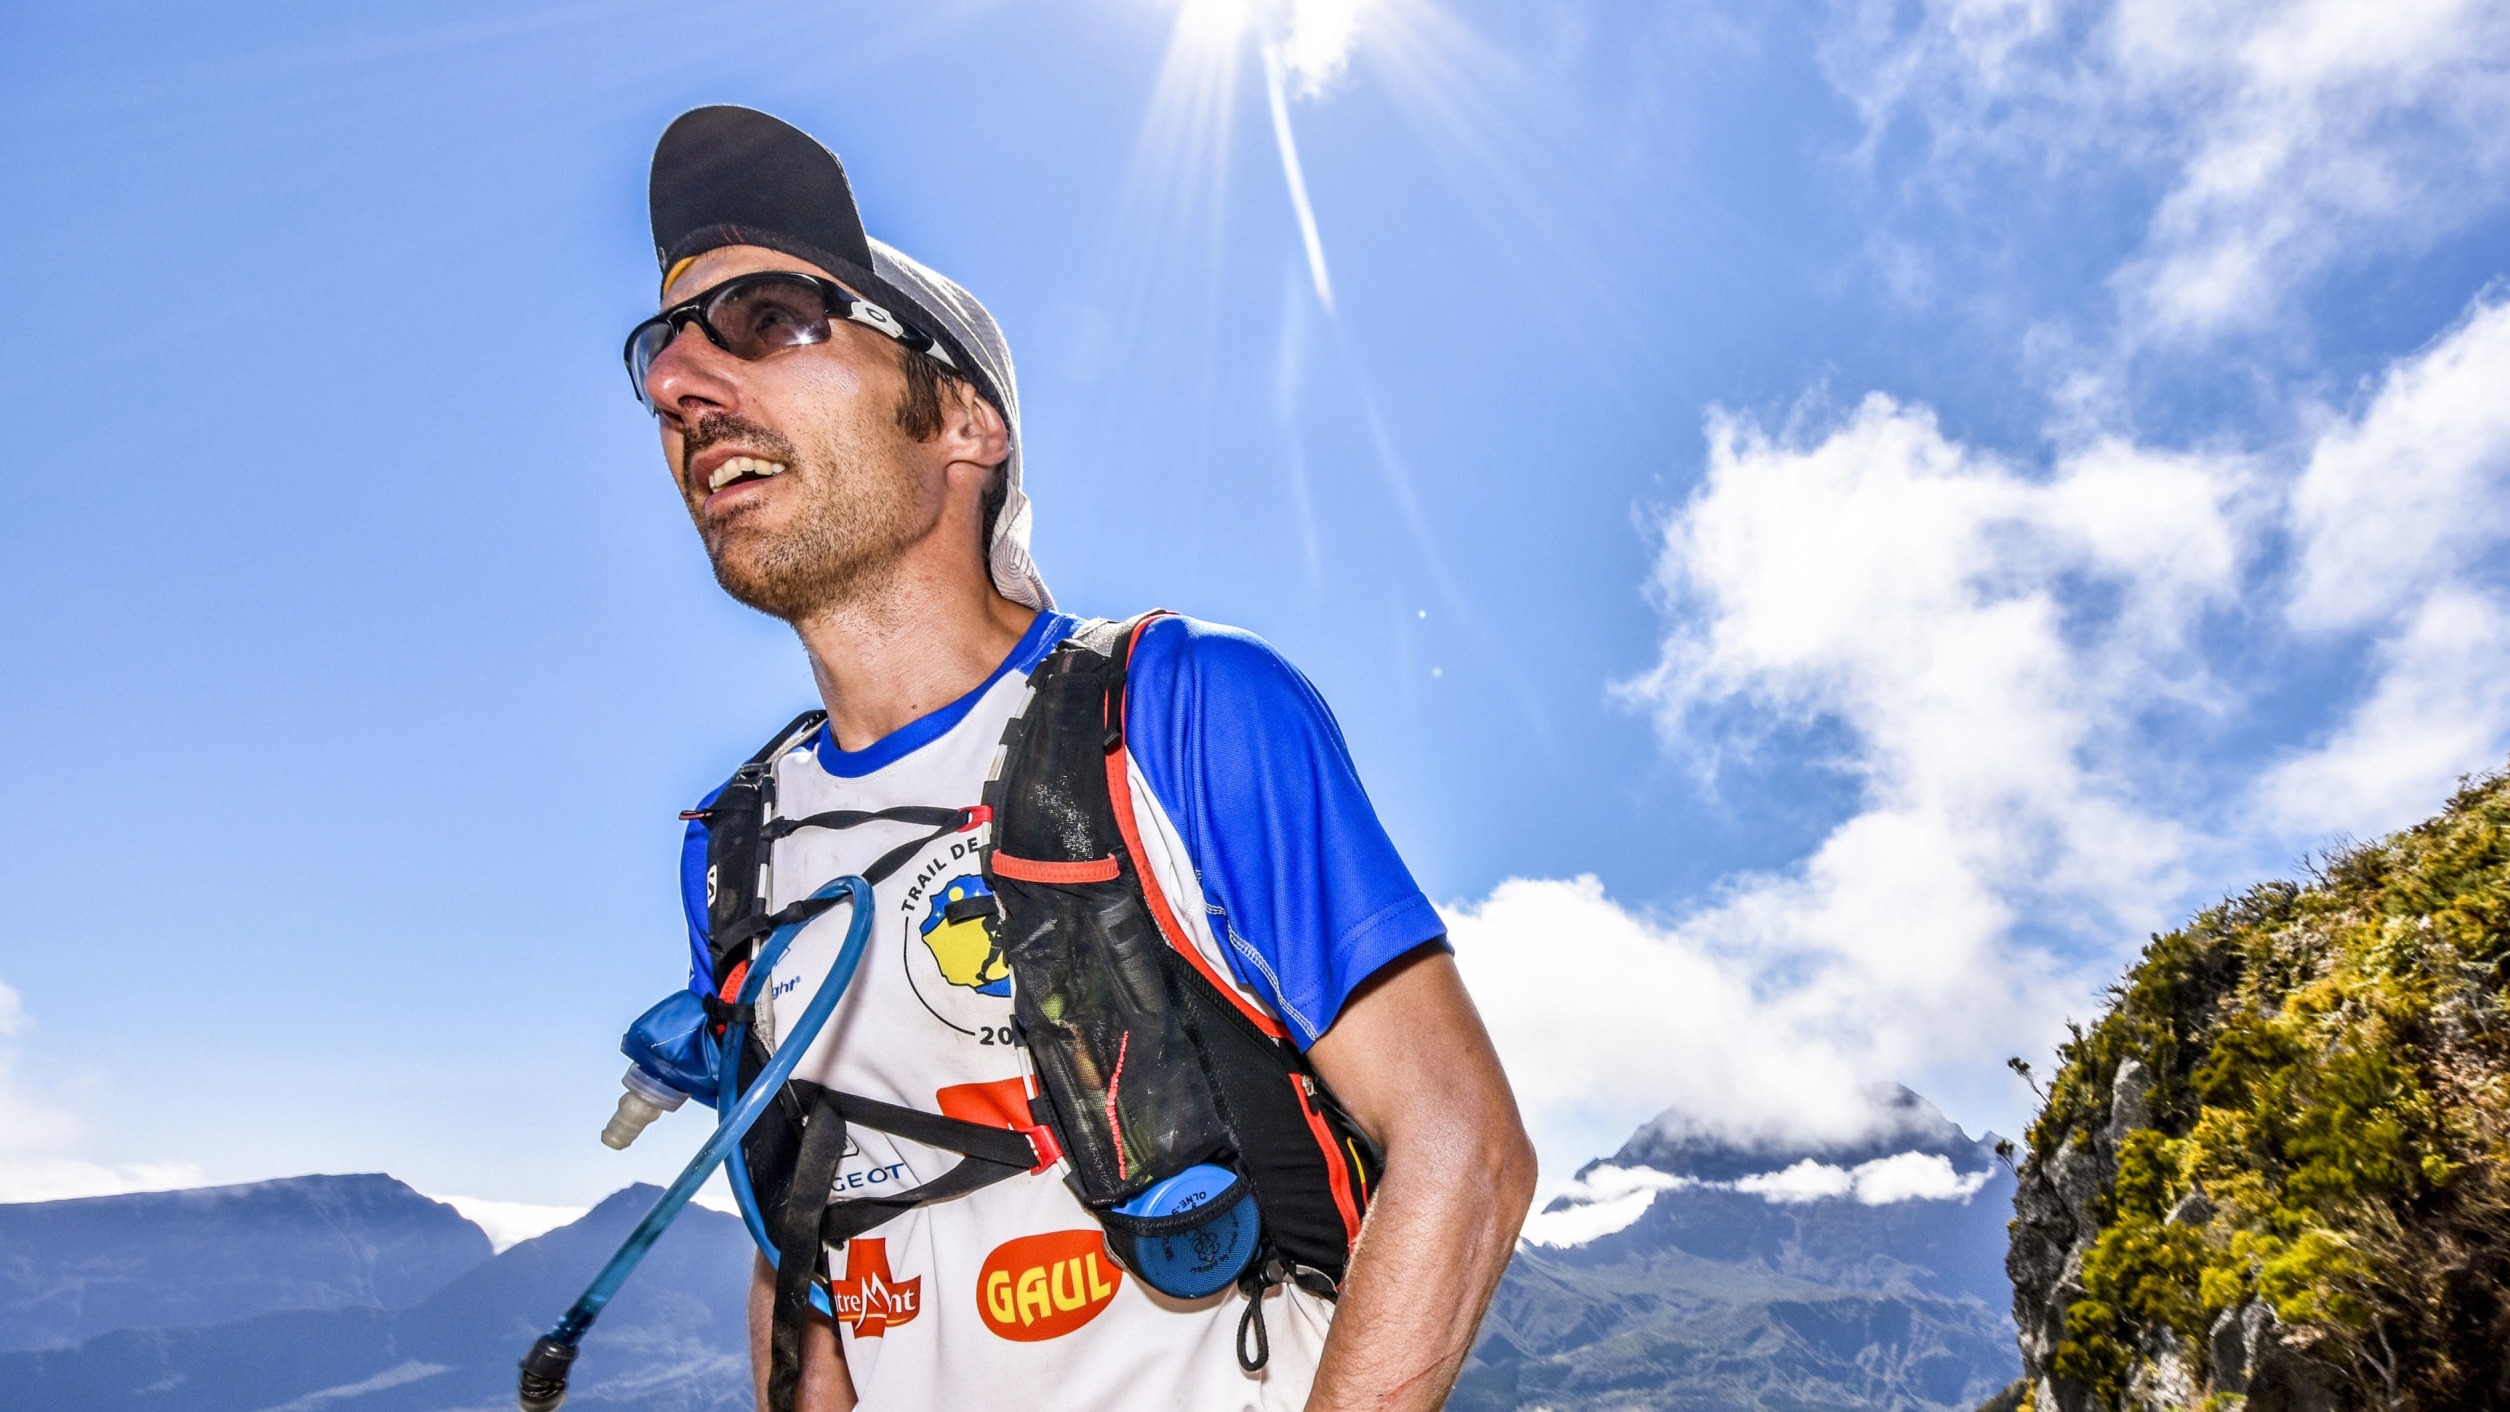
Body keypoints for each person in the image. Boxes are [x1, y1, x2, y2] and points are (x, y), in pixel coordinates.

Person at [628, 105, 1535, 1412]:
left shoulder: (1177, 710)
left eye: (769, 320)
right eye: (662, 353)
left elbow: (1460, 1147)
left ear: (962, 421)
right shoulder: (740, 845)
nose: (676, 387)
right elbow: (807, 1276)